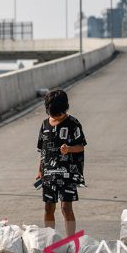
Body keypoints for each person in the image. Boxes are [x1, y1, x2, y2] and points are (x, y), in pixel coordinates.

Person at [36, 89, 87, 235]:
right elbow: (42, 151)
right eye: (51, 114)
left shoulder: (73, 123)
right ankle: (49, 237)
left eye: (57, 114)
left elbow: (81, 146)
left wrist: (69, 149)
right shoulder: (45, 125)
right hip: (48, 174)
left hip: (67, 173)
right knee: (48, 208)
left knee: (66, 208)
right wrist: (40, 170)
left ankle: (70, 240)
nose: (54, 117)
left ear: (64, 108)